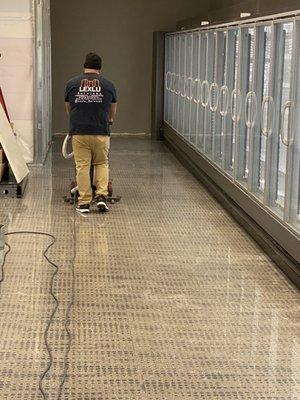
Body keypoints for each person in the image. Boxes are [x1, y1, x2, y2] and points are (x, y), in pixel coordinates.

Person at [65, 52, 117, 213]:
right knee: (101, 163)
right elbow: (112, 111)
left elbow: (69, 108)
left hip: (79, 131)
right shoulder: (109, 85)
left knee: (82, 166)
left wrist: (76, 120)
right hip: (101, 131)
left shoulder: (72, 83)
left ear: (84, 65)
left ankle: (84, 202)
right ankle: (101, 197)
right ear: (100, 68)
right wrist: (108, 121)